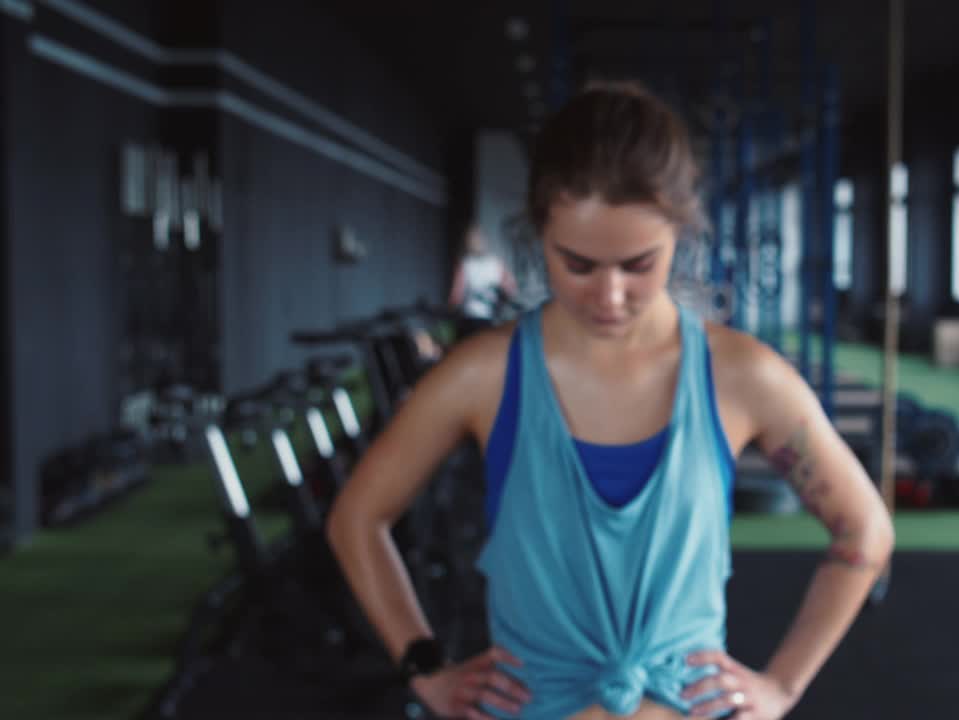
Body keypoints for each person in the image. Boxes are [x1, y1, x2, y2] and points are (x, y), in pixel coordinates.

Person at [325, 82, 895, 720]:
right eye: (578, 264)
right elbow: (357, 518)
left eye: (637, 264)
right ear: (539, 230)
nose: (610, 294)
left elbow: (864, 529)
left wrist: (782, 685)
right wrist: (425, 668)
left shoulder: (741, 376)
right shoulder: (483, 375)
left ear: (679, 233)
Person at [449, 223, 519, 321]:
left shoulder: (495, 263)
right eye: (473, 239)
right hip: (472, 316)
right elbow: (456, 297)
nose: (477, 241)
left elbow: (511, 289)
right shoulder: (466, 265)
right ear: (467, 242)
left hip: (492, 317)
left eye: (478, 238)